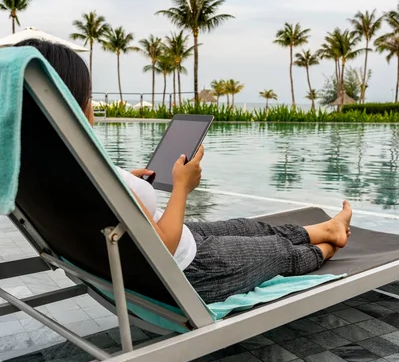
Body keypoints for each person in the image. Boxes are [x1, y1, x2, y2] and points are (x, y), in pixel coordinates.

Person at [16, 39, 352, 304]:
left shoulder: (38, 166)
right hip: (191, 270)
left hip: (164, 245)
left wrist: (123, 182)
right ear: (71, 103)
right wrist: (182, 187)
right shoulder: (72, 166)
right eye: (88, 97)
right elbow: (162, 247)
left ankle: (327, 227)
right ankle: (330, 243)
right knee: (280, 254)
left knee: (248, 227)